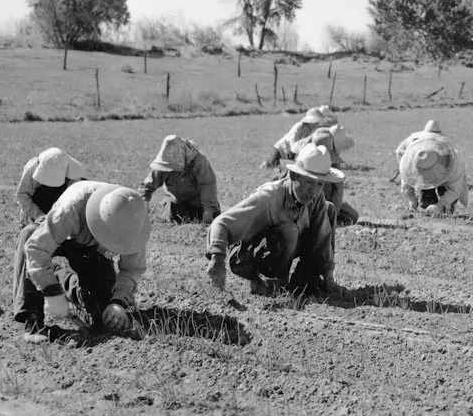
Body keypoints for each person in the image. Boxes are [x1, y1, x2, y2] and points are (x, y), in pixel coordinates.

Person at [12, 182, 150, 342]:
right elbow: (37, 248)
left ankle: (58, 275)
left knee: (101, 309)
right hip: (63, 233)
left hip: (90, 247)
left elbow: (131, 269)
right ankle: (33, 321)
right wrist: (50, 290)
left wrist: (118, 302)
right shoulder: (70, 210)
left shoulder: (134, 223)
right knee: (29, 234)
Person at [206, 143, 345, 297]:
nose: (314, 191)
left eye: (320, 184)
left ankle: (305, 281)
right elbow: (222, 223)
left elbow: (323, 236)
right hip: (246, 257)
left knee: (328, 209)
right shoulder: (269, 197)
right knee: (289, 230)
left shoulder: (316, 197)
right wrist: (217, 259)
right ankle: (272, 285)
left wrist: (328, 275)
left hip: (283, 247)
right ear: (294, 176)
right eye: (309, 182)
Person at [139, 135, 220, 224]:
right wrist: (143, 209)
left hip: (198, 204)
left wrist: (208, 211)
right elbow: (147, 187)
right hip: (176, 203)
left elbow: (207, 186)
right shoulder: (164, 162)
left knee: (209, 215)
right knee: (170, 213)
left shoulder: (199, 161)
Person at [399, 132, 468, 215]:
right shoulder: (411, 164)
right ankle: (429, 207)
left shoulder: (455, 164)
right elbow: (406, 183)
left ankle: (446, 209)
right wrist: (412, 201)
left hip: (447, 176)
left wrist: (440, 205)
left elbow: (454, 190)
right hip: (426, 175)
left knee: (448, 205)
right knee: (427, 201)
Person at [15, 147, 86, 227]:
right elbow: (22, 195)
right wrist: (38, 215)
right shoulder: (31, 169)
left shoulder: (73, 174)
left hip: (60, 207)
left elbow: (75, 199)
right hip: (37, 205)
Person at [260, 107, 327, 168]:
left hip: (293, 152)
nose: (317, 124)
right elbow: (292, 140)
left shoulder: (313, 129)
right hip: (281, 149)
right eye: (316, 122)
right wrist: (296, 151)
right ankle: (265, 164)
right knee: (271, 165)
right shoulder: (299, 126)